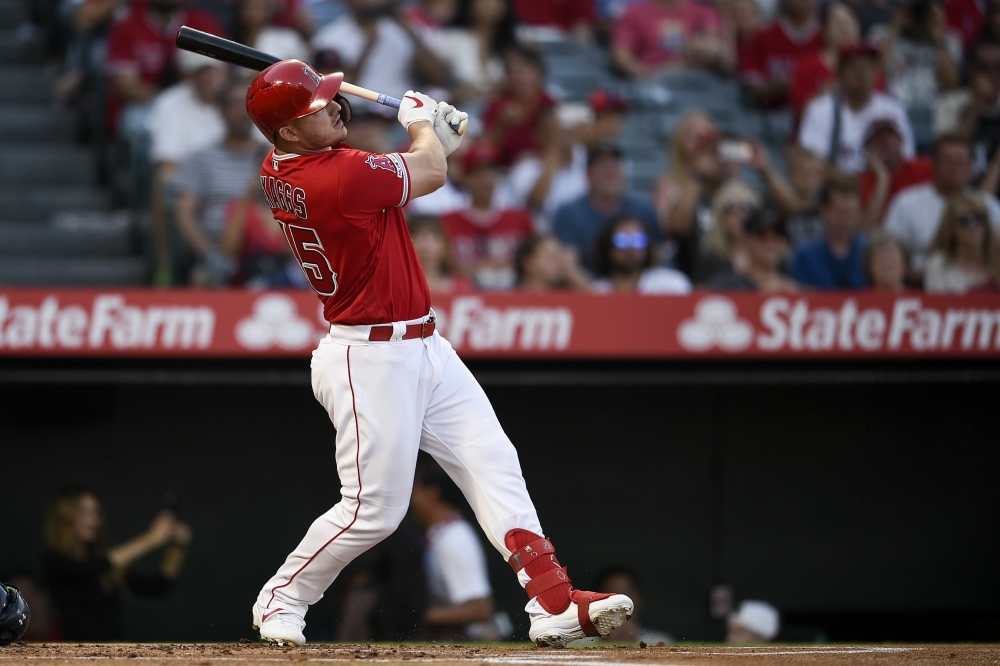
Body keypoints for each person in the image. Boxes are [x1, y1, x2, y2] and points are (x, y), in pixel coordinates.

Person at [244, 59, 634, 648]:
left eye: (327, 99)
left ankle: (552, 600)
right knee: (374, 510)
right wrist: (425, 127)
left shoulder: (285, 162)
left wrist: (426, 138)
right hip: (367, 358)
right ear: (291, 134)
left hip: (424, 344)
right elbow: (429, 172)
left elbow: (412, 164)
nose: (332, 107)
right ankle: (283, 596)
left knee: (493, 460)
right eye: (315, 110)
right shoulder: (336, 176)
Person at [42, 485, 192, 641]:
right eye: (84, 512)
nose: (94, 520)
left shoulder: (105, 567)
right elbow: (91, 568)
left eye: (96, 512)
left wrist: (177, 548)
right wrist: (151, 539)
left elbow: (159, 586)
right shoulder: (55, 561)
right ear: (64, 515)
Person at [172, 78, 265, 286]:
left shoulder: (273, 157)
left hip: (263, 252)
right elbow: (184, 214)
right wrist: (210, 255)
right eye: (234, 105)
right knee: (202, 277)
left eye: (248, 105)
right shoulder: (200, 158)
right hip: (214, 249)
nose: (243, 113)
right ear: (220, 111)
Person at [147, 51, 228, 284]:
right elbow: (167, 164)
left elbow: (257, 149)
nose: (207, 79)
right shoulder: (169, 103)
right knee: (163, 182)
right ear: (188, 75)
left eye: (211, 71)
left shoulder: (237, 99)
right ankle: (164, 265)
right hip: (192, 184)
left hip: (238, 180)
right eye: (199, 72)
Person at [884, 133, 1000, 276]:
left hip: (980, 289)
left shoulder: (989, 205)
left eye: (961, 161)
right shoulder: (906, 202)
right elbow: (887, 251)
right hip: (917, 288)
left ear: (971, 166)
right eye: (948, 161)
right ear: (934, 164)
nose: (955, 167)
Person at [410, 455, 497, 641]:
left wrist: (417, 617)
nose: (412, 499)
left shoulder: (455, 538)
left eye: (416, 490)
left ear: (432, 493)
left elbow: (481, 609)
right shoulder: (441, 534)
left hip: (472, 642)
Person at [103, 0, 223, 134]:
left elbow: (220, 76)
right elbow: (126, 86)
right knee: (137, 124)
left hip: (197, 100)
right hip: (146, 104)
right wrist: (170, 101)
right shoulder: (127, 25)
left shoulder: (202, 22)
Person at [311, 0, 449, 115]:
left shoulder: (407, 30)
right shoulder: (330, 37)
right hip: (359, 114)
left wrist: (411, 34)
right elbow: (333, 92)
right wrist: (369, 45)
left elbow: (438, 78)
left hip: (403, 110)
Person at [798, 43, 915, 173]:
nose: (862, 75)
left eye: (868, 67)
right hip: (836, 188)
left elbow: (907, 159)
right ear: (841, 74)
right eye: (855, 68)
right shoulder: (819, 110)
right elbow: (812, 164)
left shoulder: (893, 110)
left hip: (883, 185)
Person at [440, 143, 535, 289]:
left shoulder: (520, 218)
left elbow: (534, 264)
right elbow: (443, 267)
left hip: (517, 298)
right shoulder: (446, 221)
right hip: (466, 298)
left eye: (490, 172)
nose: (485, 179)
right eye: (477, 173)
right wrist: (477, 268)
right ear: (464, 178)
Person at [553, 143, 660, 271]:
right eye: (602, 167)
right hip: (584, 287)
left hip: (636, 287)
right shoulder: (568, 214)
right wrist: (597, 290)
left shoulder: (644, 211)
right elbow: (565, 263)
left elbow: (655, 256)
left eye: (614, 166)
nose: (609, 173)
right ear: (588, 174)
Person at [654, 112, 735, 277]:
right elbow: (673, 229)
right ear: (679, 143)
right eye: (693, 137)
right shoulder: (669, 182)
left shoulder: (728, 179)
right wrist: (696, 175)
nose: (701, 143)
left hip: (726, 268)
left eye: (706, 136)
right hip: (684, 267)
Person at [505, 106, 589, 223]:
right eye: (553, 129)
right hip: (544, 233)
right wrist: (554, 153)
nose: (561, 133)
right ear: (540, 136)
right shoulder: (525, 167)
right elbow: (536, 201)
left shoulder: (583, 156)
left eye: (565, 128)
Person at [934, 39, 1000, 182]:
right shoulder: (949, 103)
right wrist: (977, 104)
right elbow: (952, 154)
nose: (993, 75)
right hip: (960, 188)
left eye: (998, 68)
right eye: (985, 68)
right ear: (971, 70)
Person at [790, 172, 871, 289]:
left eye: (851, 212)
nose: (845, 219)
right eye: (839, 211)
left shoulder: (869, 251)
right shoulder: (805, 255)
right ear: (824, 211)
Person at [426, 0, 517, 103]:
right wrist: (456, 94)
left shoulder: (515, 43)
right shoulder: (451, 38)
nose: (491, 3)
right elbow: (432, 86)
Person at [221, 177, 305, 288]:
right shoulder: (242, 207)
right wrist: (247, 198)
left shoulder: (295, 208)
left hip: (285, 273)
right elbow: (229, 250)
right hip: (250, 273)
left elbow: (298, 250)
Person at [611, 0, 729, 77]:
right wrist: (644, 74)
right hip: (654, 79)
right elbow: (621, 55)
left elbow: (712, 45)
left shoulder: (704, 12)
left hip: (699, 78)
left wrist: (681, 63)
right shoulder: (634, 13)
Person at [788, 1, 864, 122]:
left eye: (850, 22)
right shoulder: (806, 65)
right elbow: (800, 111)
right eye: (839, 23)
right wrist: (833, 88)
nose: (845, 28)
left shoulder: (870, 68)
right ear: (823, 29)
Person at [741, 0, 823, 109]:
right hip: (769, 116)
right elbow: (753, 91)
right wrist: (789, 84)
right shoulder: (763, 36)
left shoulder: (826, 36)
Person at [482, 46, 555, 167]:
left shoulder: (548, 104)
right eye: (515, 73)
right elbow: (484, 150)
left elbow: (559, 148)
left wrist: (534, 157)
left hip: (541, 168)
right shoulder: (496, 105)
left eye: (527, 73)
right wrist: (501, 125)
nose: (521, 79)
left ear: (540, 75)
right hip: (504, 173)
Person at [881, 0, 961, 109]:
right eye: (915, 10)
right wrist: (895, 28)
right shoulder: (881, 36)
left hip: (934, 115)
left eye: (924, 11)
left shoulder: (950, 41)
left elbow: (951, 86)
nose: (919, 15)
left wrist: (937, 37)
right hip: (893, 112)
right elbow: (876, 75)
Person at [857, 117, 934, 228]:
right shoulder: (860, 182)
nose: (885, 142)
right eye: (878, 139)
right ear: (867, 148)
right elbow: (865, 229)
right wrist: (882, 178)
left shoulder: (925, 168)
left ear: (901, 140)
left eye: (890, 137)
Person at [749, 143, 826, 247]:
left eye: (813, 174)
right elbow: (793, 206)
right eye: (803, 174)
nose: (808, 180)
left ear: (821, 177)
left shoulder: (827, 203)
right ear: (790, 175)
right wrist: (765, 170)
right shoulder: (777, 200)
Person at [591, 216, 692, 293]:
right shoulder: (597, 291)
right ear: (607, 246)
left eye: (638, 240)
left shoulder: (672, 285)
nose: (630, 248)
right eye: (621, 240)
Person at [924, 192, 994, 292]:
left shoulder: (996, 260)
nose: (973, 225)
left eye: (979, 217)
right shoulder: (939, 265)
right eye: (964, 220)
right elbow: (938, 305)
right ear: (951, 228)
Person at [697, 178, 761, 284]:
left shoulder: (769, 253)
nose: (742, 216)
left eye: (749, 208)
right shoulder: (709, 255)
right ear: (721, 216)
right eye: (733, 207)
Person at [592, 567, 673, 646]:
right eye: (613, 595)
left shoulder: (661, 642)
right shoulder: (580, 644)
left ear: (639, 598)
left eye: (627, 594)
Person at [408, 215, 474, 294]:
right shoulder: (398, 285)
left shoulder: (461, 285)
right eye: (416, 237)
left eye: (434, 237)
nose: (425, 246)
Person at [234, 0, 310, 62]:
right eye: (248, 7)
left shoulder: (288, 38)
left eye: (258, 7)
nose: (253, 13)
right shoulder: (234, 40)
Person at [515, 234, 592, 290]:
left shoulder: (566, 296)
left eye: (560, 257)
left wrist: (573, 273)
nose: (560, 263)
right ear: (528, 262)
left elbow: (594, 302)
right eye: (551, 257)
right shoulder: (508, 297)